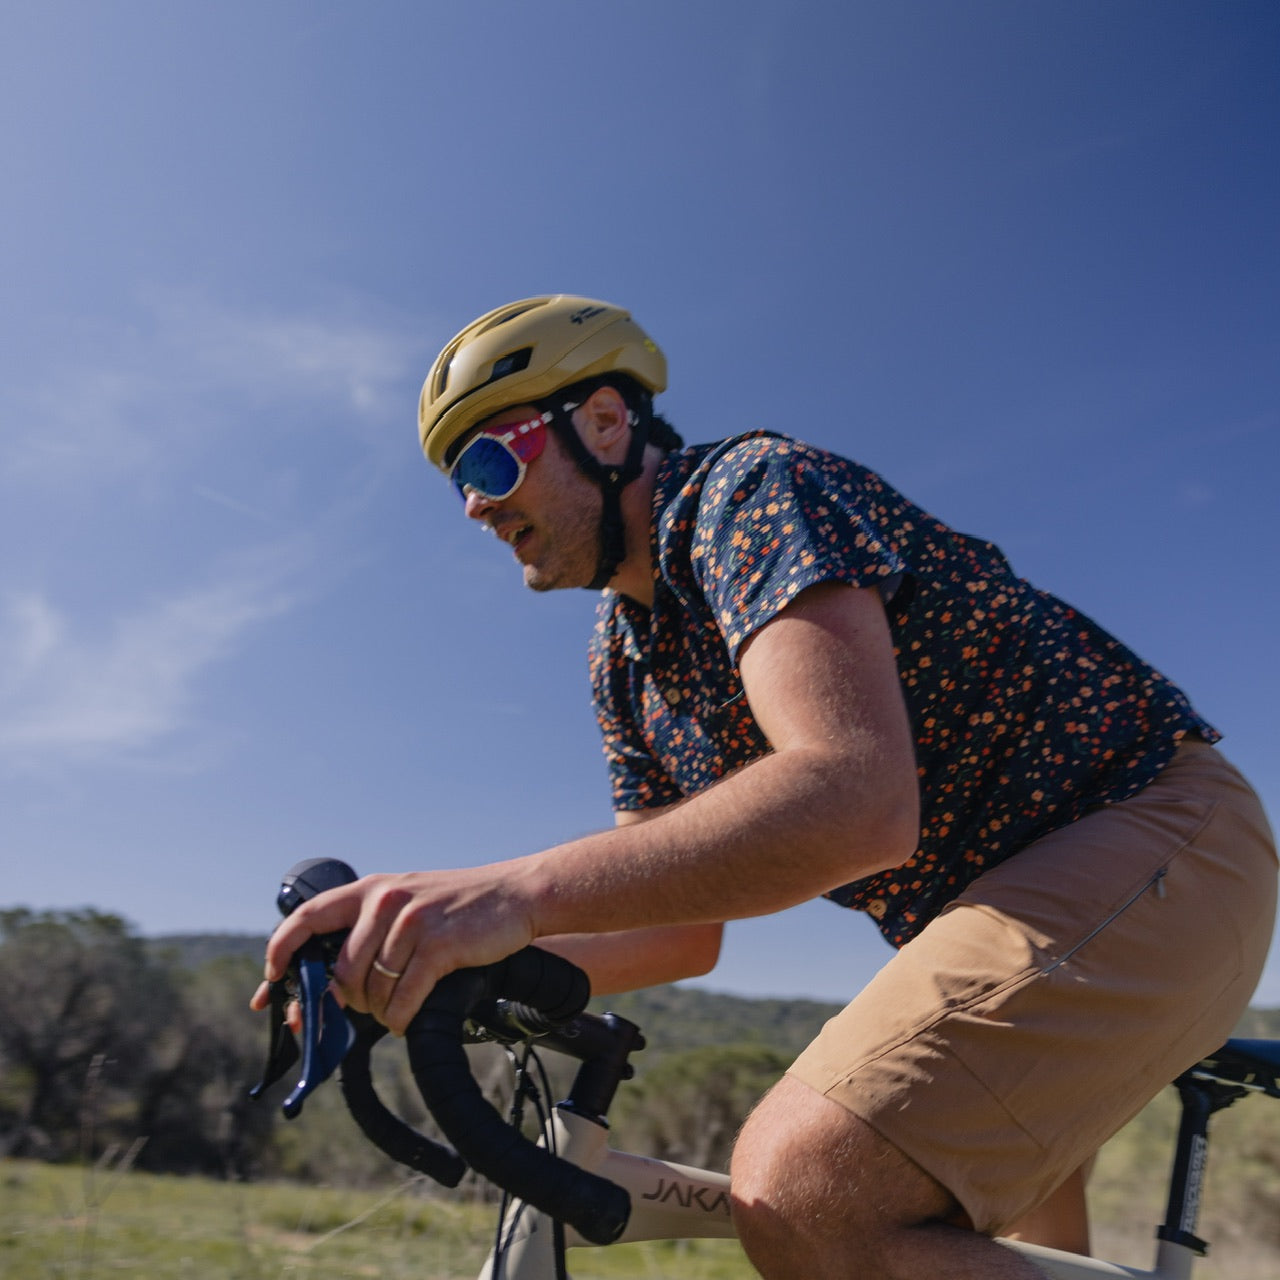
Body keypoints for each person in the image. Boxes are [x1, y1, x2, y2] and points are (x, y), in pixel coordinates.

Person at [258, 295, 1277, 1279]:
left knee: (805, 1188)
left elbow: (853, 798)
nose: (476, 503)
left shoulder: (749, 492)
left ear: (605, 424)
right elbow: (677, 932)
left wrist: (506, 895)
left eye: (490, 455)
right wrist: (422, 957)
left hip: (1152, 828)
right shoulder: (621, 657)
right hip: (1003, 912)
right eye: (455, 481)